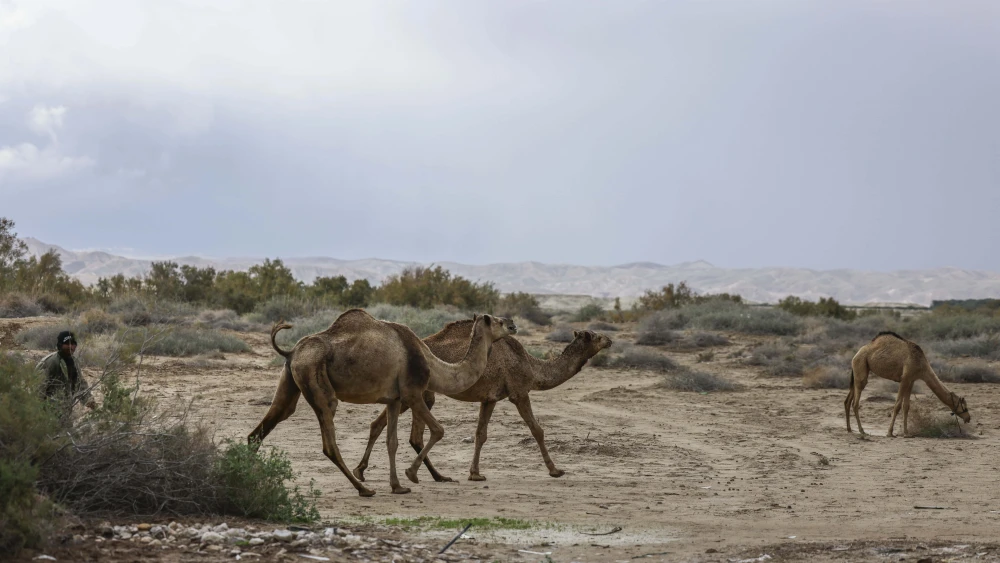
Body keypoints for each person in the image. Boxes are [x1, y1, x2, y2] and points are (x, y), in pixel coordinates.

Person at [36, 330, 96, 408]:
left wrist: (89, 401)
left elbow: (80, 384)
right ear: (60, 345)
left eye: (73, 344)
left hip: (66, 409)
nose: (71, 347)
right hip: (49, 411)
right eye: (67, 344)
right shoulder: (50, 362)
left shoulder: (74, 361)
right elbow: (38, 390)